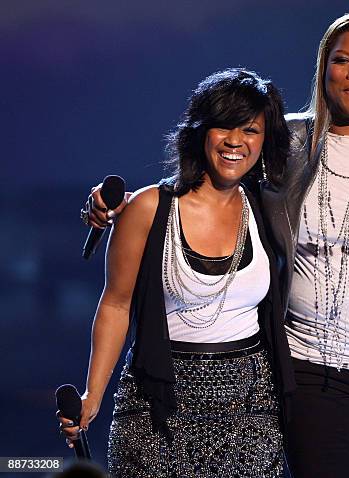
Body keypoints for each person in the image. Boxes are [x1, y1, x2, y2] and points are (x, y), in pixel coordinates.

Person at [84, 13, 349, 478]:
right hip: (310, 371)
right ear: (323, 67)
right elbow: (216, 170)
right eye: (342, 60)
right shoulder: (287, 141)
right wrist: (128, 204)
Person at [59, 68, 294, 477]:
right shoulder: (150, 208)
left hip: (251, 406)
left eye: (251, 130)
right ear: (200, 132)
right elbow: (116, 304)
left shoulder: (268, 204)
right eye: (223, 126)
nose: (236, 141)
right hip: (157, 403)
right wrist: (93, 395)